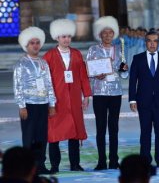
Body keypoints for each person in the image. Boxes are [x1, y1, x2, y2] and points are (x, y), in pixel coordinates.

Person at [43, 19, 92, 173]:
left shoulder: (77, 54)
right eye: (63, 37)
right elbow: (45, 80)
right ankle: (54, 166)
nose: (66, 39)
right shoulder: (49, 56)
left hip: (75, 99)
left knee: (75, 134)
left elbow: (83, 76)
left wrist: (87, 96)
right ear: (57, 37)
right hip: (56, 101)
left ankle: (75, 164)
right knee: (54, 135)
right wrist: (48, 100)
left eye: (68, 36)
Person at [86, 16, 128, 170]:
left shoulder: (120, 49)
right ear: (100, 35)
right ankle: (101, 161)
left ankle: (114, 160)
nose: (108, 35)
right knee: (101, 127)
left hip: (116, 92)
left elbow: (124, 75)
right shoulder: (93, 50)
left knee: (114, 127)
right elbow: (88, 71)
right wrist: (95, 75)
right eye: (105, 33)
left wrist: (124, 69)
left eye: (111, 33)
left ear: (114, 34)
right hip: (99, 92)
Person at [129, 30, 159, 168]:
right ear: (145, 42)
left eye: (155, 41)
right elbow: (132, 81)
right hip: (144, 102)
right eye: (149, 41)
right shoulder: (138, 58)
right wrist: (132, 100)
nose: (152, 44)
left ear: (158, 43)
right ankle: (145, 160)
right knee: (145, 132)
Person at [13, 27, 56, 175]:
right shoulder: (21, 64)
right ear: (26, 45)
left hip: (43, 104)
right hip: (29, 105)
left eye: (38, 42)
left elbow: (49, 84)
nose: (35, 45)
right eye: (32, 43)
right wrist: (21, 106)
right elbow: (17, 86)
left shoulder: (44, 63)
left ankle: (40, 165)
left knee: (41, 136)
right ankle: (27, 167)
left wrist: (52, 103)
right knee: (29, 137)